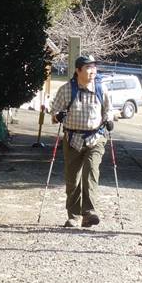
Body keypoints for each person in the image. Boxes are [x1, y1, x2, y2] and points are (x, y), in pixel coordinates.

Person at [49, 55, 114, 228]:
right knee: (73, 179)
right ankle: (74, 216)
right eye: (88, 68)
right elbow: (54, 113)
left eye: (94, 67)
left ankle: (89, 212)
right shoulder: (67, 90)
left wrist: (109, 119)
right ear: (78, 71)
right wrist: (58, 116)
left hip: (96, 137)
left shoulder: (101, 88)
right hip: (73, 139)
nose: (92, 71)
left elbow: (109, 110)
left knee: (91, 172)